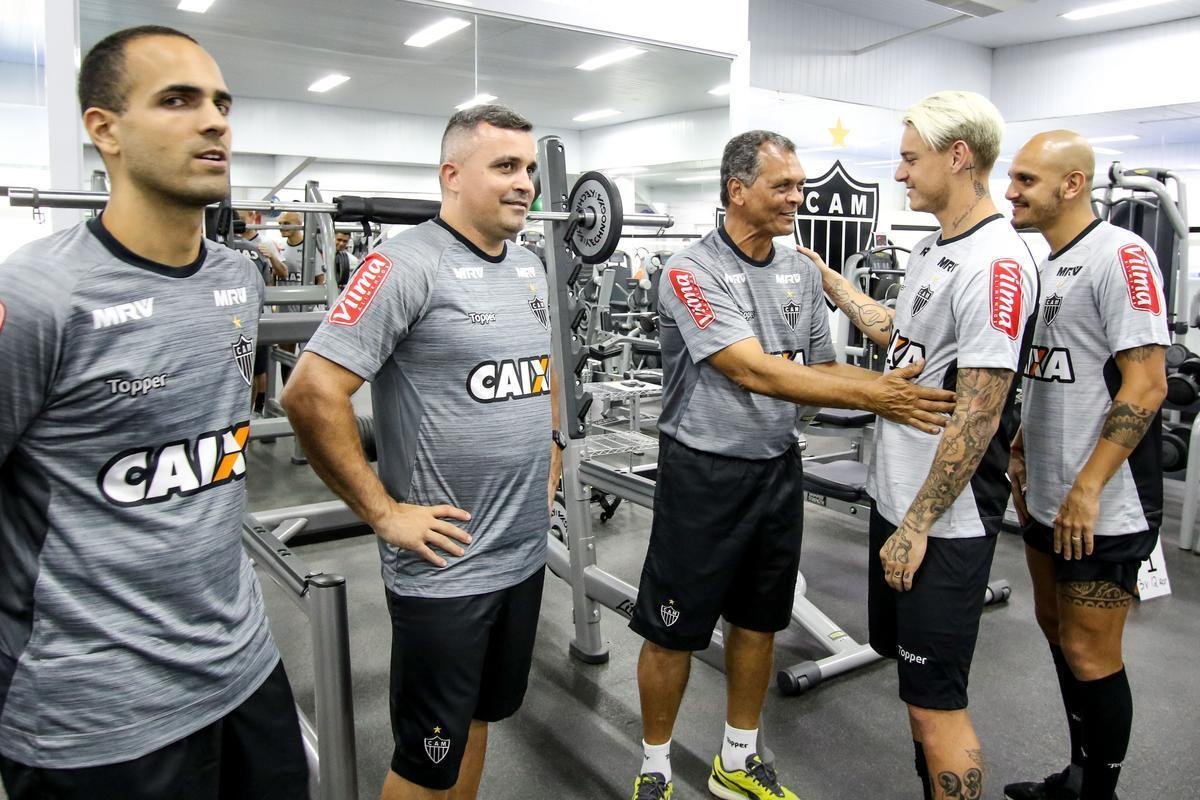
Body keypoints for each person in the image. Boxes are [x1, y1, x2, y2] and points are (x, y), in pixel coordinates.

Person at [0, 25, 307, 799]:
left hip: (243, 668)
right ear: (103, 129)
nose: (214, 121)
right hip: (94, 717)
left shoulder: (240, 278)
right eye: (178, 100)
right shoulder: (37, 296)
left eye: (221, 103)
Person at [628, 129, 959, 800]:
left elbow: (817, 365)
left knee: (760, 619)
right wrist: (879, 393)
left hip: (776, 469)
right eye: (783, 186)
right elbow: (752, 370)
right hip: (703, 473)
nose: (797, 197)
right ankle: (655, 765)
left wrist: (876, 384)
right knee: (672, 628)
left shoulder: (800, 270)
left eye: (800, 185)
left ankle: (737, 760)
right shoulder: (691, 271)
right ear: (737, 191)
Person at [281, 104, 554, 800]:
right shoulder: (403, 264)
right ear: (451, 175)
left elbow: (541, 369)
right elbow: (311, 392)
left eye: (527, 168)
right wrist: (382, 512)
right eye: (505, 167)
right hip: (446, 569)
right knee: (424, 761)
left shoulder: (527, 266)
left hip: (521, 556)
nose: (524, 182)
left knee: (478, 722)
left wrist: (551, 441)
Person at [809, 91, 1038, 800]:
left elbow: (979, 414)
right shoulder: (933, 249)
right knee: (913, 692)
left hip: (942, 522)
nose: (902, 174)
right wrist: (828, 281)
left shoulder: (996, 263)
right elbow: (901, 339)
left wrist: (916, 525)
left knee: (938, 704)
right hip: (897, 497)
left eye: (911, 159)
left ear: (958, 156)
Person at [1002, 131, 1169, 800]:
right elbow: (1056, 375)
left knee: (1090, 650)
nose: (1010, 191)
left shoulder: (1120, 256)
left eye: (1025, 180)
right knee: (1057, 633)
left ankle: (1098, 793)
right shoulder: (1047, 264)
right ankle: (1075, 777)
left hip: (1103, 503)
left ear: (1072, 185)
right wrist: (1021, 440)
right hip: (1047, 491)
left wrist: (1088, 487)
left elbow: (1148, 383)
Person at [230, 208, 286, 412]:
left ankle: (252, 412)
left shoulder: (213, 250)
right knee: (252, 372)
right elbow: (266, 285)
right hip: (253, 317)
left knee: (249, 372)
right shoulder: (254, 251)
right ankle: (250, 416)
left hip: (230, 321)